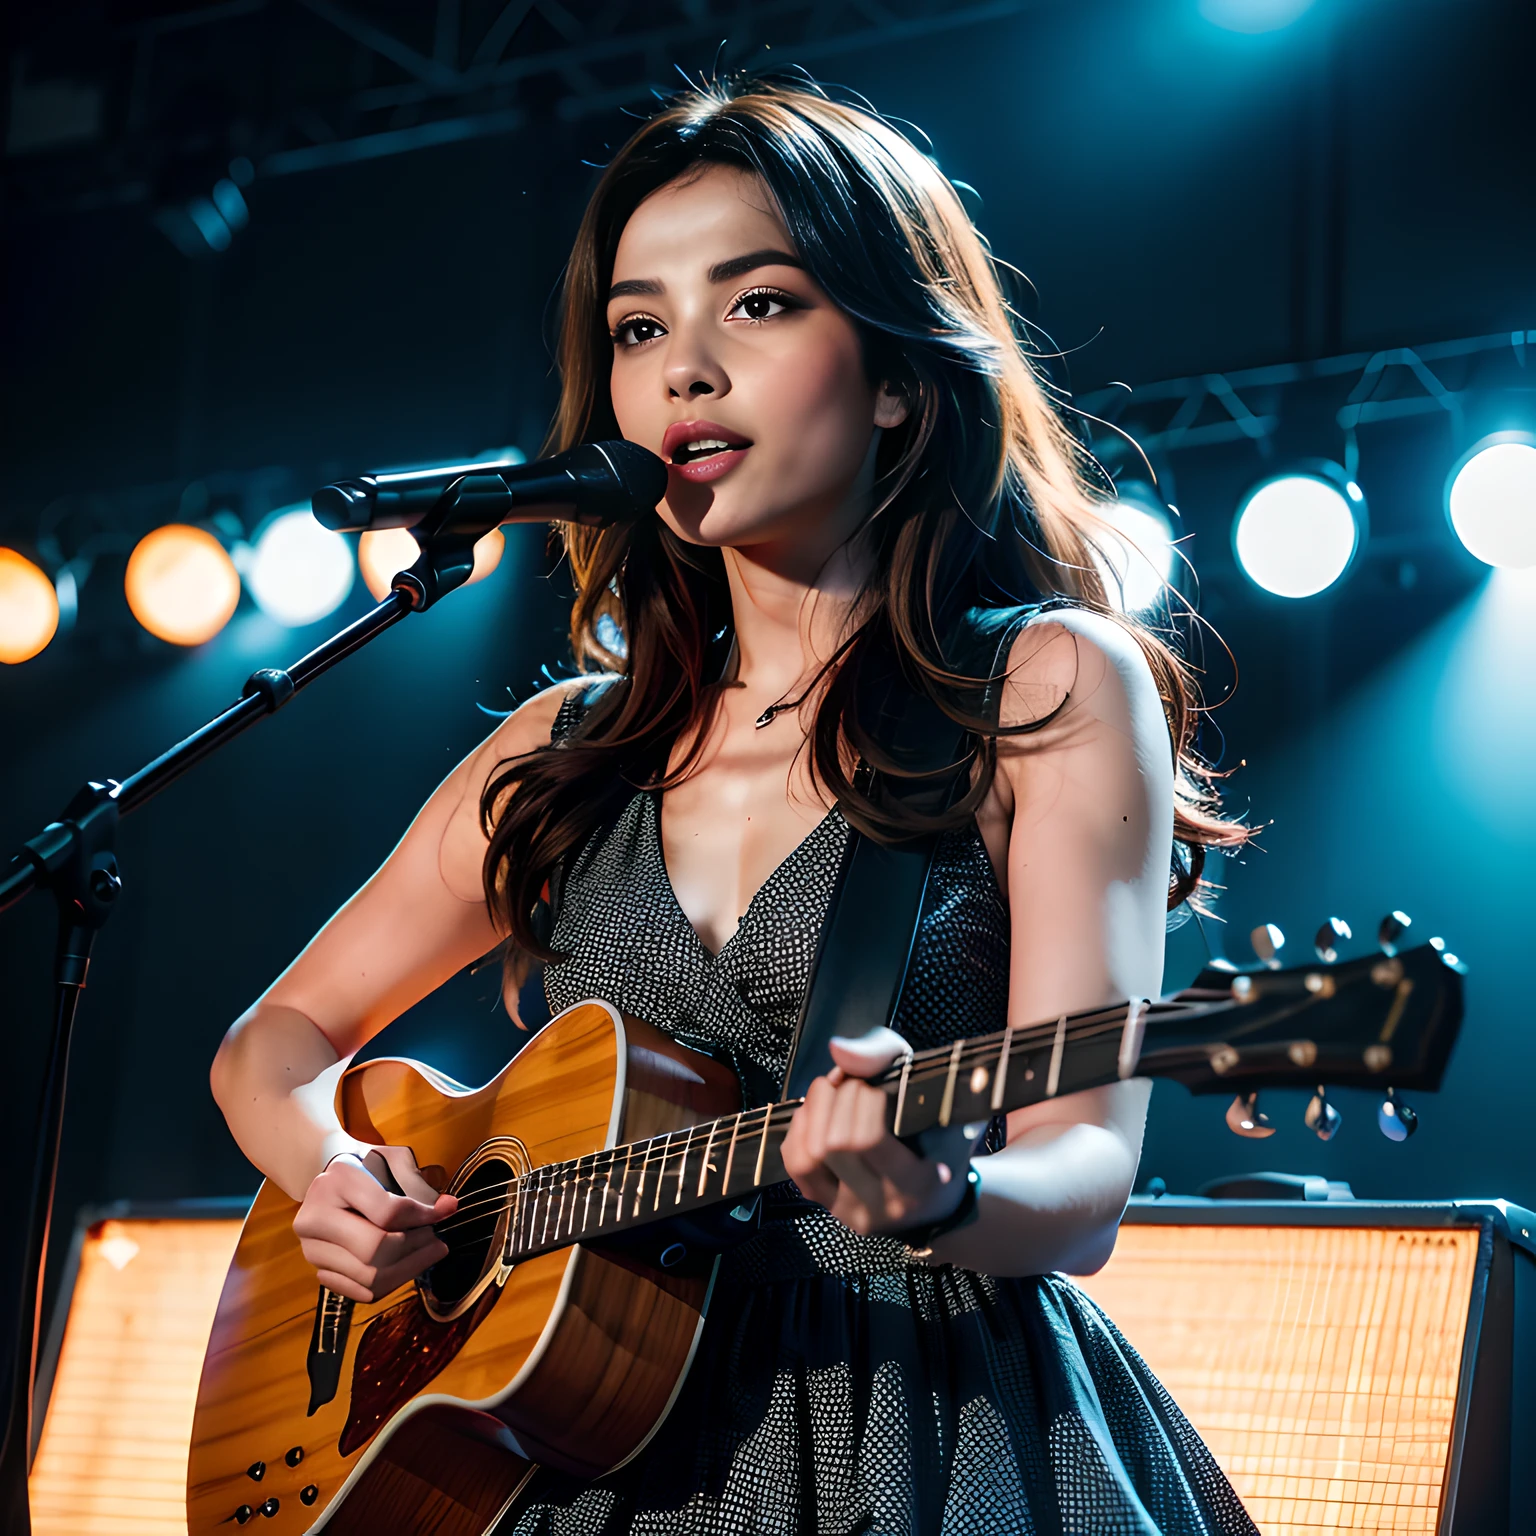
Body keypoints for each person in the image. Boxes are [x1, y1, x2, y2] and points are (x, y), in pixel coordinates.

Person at [212, 72, 1256, 1535]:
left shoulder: (1042, 687)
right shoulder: (562, 750)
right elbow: (274, 1041)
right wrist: (336, 1174)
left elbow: (1084, 1178)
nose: (683, 372)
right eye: (640, 329)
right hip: (584, 1455)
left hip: (921, 1424)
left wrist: (930, 1196)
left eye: (756, 305)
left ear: (898, 375)